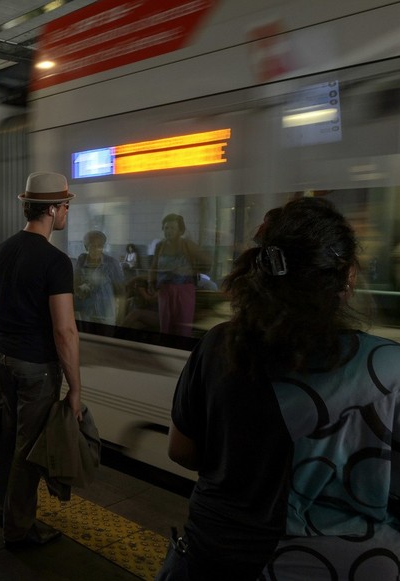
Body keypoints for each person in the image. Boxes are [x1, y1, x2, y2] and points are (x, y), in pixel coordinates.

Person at [155, 197, 400, 580]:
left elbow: (181, 450)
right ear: (347, 276)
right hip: (345, 563)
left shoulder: (219, 345)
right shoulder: (388, 367)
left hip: (215, 554)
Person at [0, 171, 83, 549]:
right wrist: (75, 388)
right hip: (36, 369)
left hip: (4, 360)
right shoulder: (55, 262)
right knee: (29, 449)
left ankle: (4, 507)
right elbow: (65, 331)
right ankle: (18, 528)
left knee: (10, 440)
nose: (67, 214)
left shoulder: (0, 251)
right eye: (66, 207)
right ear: (54, 210)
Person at [147, 214, 211, 337]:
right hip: (165, 291)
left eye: (172, 228)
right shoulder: (160, 246)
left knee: (183, 326)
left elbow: (207, 261)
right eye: (166, 228)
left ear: (180, 230)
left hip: (184, 290)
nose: (168, 231)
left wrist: (192, 270)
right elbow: (153, 266)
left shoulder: (187, 244)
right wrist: (151, 282)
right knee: (165, 326)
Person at [74, 230, 125, 324]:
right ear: (86, 247)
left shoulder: (111, 263)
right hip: (86, 313)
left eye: (100, 246)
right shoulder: (81, 261)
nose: (97, 249)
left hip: (105, 314)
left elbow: (121, 292)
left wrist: (120, 318)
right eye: (93, 246)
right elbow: (75, 284)